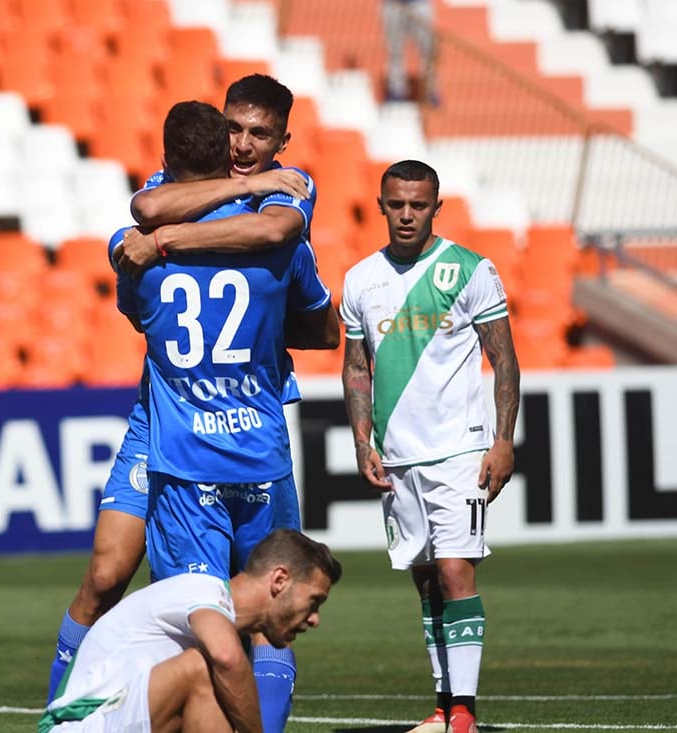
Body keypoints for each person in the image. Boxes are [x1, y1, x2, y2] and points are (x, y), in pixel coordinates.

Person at [46, 75, 326, 732]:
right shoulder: (189, 191)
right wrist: (241, 191)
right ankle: (64, 716)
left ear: (284, 139)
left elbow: (254, 235)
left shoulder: (288, 194)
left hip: (208, 433)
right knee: (109, 571)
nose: (245, 144)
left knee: (242, 605)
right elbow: (151, 207)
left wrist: (162, 245)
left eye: (260, 135)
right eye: (234, 128)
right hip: (165, 417)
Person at [340, 160, 520, 733]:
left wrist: (503, 441)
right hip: (397, 458)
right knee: (424, 578)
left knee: (454, 572)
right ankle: (443, 706)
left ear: (436, 208)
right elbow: (355, 368)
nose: (407, 214)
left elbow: (505, 359)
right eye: (397, 204)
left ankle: (463, 712)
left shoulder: (470, 271)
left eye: (419, 205)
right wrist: (362, 440)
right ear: (381, 204)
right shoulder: (360, 279)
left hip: (459, 453)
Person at [42, 528, 342, 733]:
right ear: (279, 580)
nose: (314, 619)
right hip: (81, 725)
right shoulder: (203, 591)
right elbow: (225, 658)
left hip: (119, 720)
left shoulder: (218, 615)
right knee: (204, 668)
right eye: (314, 601)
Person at [382, 0, 439, 104]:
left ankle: (430, 91)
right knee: (395, 51)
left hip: (419, 4)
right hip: (392, 4)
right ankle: (396, 91)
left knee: (428, 51)